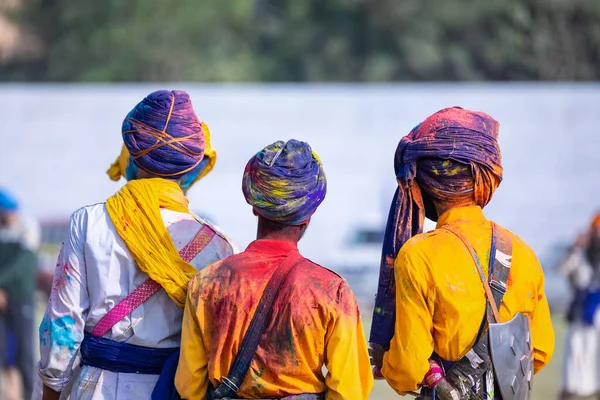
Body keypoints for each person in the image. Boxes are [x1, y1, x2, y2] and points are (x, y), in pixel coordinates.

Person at [35, 90, 235, 400]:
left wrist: (50, 392)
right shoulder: (216, 244)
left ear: (131, 149)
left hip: (95, 388)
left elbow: (62, 326)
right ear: (194, 160)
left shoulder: (89, 223)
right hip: (171, 390)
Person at [369, 107, 554, 398]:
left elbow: (407, 367)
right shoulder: (522, 252)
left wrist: (388, 364)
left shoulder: (419, 255)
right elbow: (539, 350)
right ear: (485, 179)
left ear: (425, 184)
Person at [175, 139, 374, 400]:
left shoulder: (207, 283)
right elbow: (350, 391)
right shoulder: (332, 291)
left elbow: (189, 385)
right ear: (308, 215)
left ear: (255, 205)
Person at [0, 188, 38, 400]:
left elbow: (21, 265)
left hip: (21, 297)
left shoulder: (28, 228)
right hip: (2, 298)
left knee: (25, 352)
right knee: (3, 351)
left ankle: (29, 394)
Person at [560, 213, 600, 400]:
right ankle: (571, 387)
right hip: (581, 307)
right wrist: (575, 248)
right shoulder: (581, 251)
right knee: (574, 347)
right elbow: (566, 269)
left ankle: (592, 386)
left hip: (597, 309)